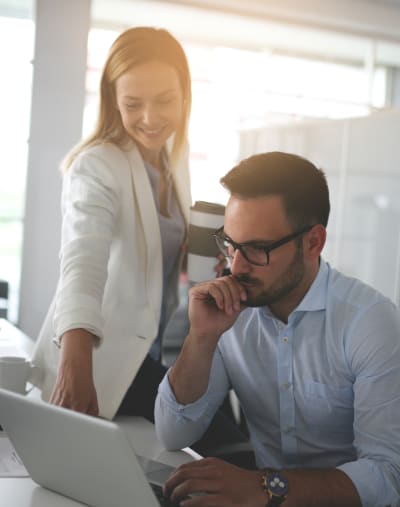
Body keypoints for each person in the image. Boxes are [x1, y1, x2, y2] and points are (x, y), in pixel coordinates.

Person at [155, 151, 400, 507]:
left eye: (257, 249)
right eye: (230, 243)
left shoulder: (369, 322)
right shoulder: (230, 311)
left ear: (313, 243)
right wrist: (202, 337)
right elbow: (173, 433)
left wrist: (265, 486)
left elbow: (387, 477)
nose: (236, 266)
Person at [30, 26, 194, 420]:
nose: (150, 118)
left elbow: (159, 257)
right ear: (113, 101)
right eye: (133, 103)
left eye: (164, 101)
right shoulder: (97, 165)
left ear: (185, 96)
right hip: (101, 361)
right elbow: (82, 263)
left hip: (153, 356)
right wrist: (75, 364)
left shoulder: (174, 161)